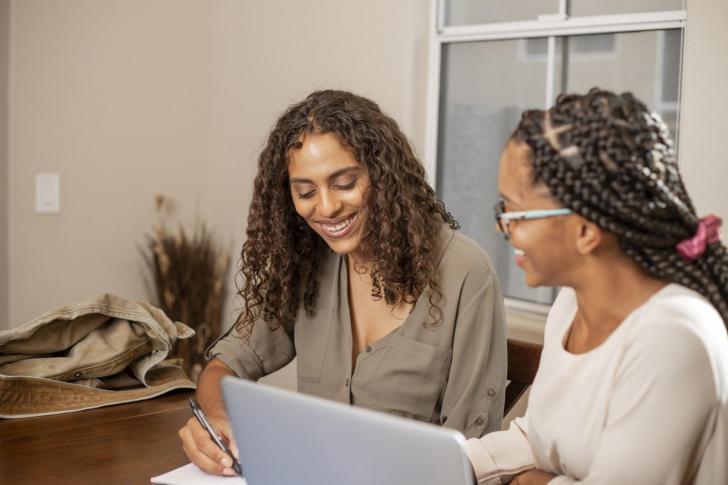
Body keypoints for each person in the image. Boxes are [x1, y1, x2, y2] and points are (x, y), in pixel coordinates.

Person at [178, 90, 508, 476]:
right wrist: (217, 423)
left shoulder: (465, 273)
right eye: (305, 192)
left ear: (382, 175)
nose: (327, 207)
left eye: (345, 183)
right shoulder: (305, 261)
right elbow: (224, 367)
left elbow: (470, 454)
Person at [465, 88, 728, 485]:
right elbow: (541, 437)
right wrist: (448, 462)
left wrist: (535, 482)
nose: (505, 229)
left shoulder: (673, 337)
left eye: (516, 214)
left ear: (586, 230)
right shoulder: (571, 304)